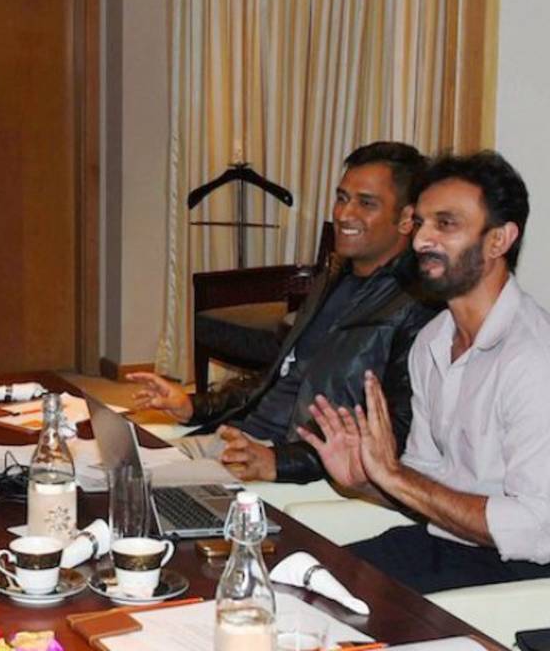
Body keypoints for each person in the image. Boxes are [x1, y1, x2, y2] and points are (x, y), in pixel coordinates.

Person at [301, 151, 550, 593]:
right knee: (297, 583)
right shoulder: (433, 340)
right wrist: (366, 480)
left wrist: (394, 476)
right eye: (421, 223)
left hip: (519, 573)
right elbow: (425, 482)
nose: (421, 241)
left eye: (446, 224)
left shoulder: (534, 358)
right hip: (444, 545)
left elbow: (536, 528)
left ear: (499, 241)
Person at [128, 142, 438, 483]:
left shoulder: (417, 307)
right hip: (237, 442)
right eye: (341, 198)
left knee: (129, 492)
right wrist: (193, 406)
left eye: (366, 203)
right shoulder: (332, 280)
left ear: (407, 218)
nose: (344, 214)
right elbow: (275, 378)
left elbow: (395, 433)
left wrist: (277, 462)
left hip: (284, 462)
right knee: (102, 463)